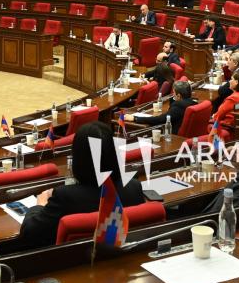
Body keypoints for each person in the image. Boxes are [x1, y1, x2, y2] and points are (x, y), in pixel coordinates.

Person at [17, 121, 145, 248]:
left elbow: (29, 233)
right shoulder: (134, 188)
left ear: (78, 159)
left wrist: (40, 204)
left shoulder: (64, 197)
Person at [128, 80, 197, 129]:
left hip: (172, 135)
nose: (173, 95)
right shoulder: (194, 103)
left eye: (174, 93)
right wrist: (174, 99)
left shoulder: (178, 106)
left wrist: (135, 118)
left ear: (178, 96)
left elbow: (160, 119)